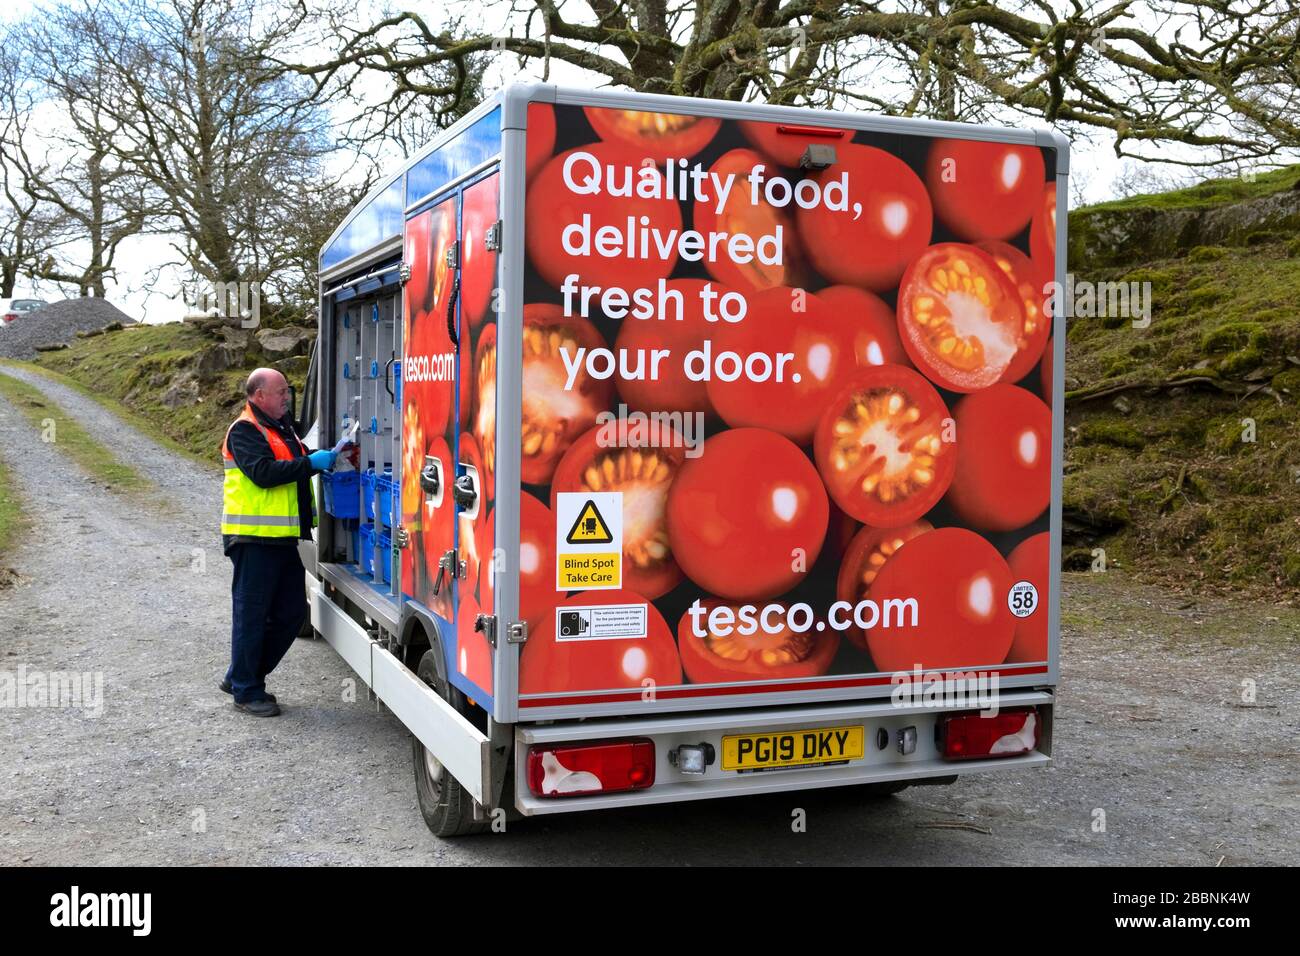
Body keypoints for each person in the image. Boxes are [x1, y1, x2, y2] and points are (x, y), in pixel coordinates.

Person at [220, 368, 336, 717]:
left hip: (281, 539)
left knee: (292, 613)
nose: (287, 396)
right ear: (259, 396)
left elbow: (291, 463)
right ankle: (246, 691)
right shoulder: (245, 430)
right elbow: (264, 474)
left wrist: (321, 459)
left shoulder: (280, 428)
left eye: (288, 390)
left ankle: (242, 676)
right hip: (253, 540)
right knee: (251, 616)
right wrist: (310, 464)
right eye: (281, 391)